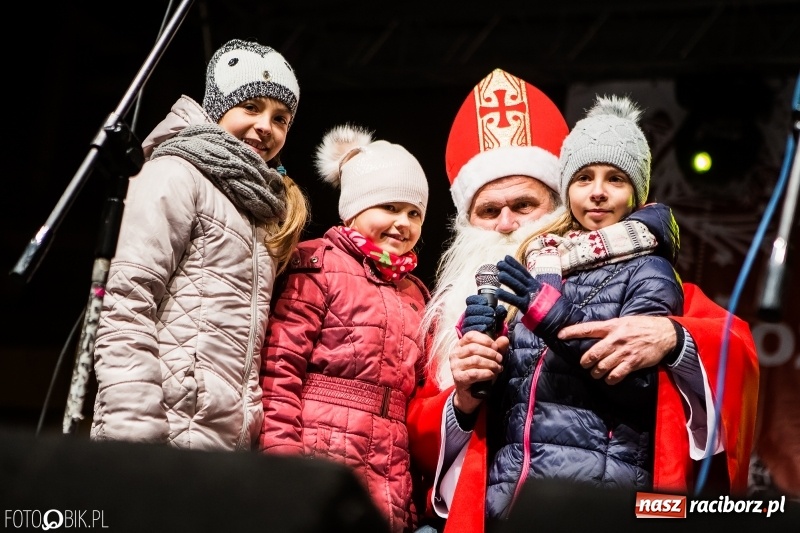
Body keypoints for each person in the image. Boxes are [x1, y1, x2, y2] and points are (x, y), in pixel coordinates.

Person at [406, 69, 759, 533]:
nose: (508, 223)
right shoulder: (448, 310)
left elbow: (734, 350)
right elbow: (420, 437)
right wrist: (465, 399)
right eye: (489, 211)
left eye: (524, 205)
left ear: (556, 205)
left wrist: (674, 337)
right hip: (501, 507)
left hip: (595, 503)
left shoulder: (634, 266)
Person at [90, 39, 309, 451]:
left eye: (281, 118)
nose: (267, 126)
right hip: (159, 438)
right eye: (251, 107)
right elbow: (123, 305)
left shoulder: (260, 208)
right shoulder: (175, 174)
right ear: (217, 107)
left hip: (221, 449)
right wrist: (135, 432)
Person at [259, 124, 430, 533]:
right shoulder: (319, 264)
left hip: (391, 466)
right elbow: (280, 369)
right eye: (389, 207)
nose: (402, 223)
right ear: (354, 208)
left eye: (414, 213)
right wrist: (284, 463)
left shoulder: (416, 292)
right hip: (321, 453)